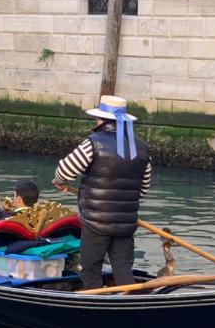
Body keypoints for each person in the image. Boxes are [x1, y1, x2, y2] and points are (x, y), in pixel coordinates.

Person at [52, 95, 151, 291]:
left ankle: (94, 304)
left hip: (95, 222)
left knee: (90, 269)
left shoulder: (93, 142)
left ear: (101, 119)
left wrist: (60, 182)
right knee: (123, 270)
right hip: (126, 223)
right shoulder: (142, 148)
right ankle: (129, 306)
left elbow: (64, 169)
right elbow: (143, 188)